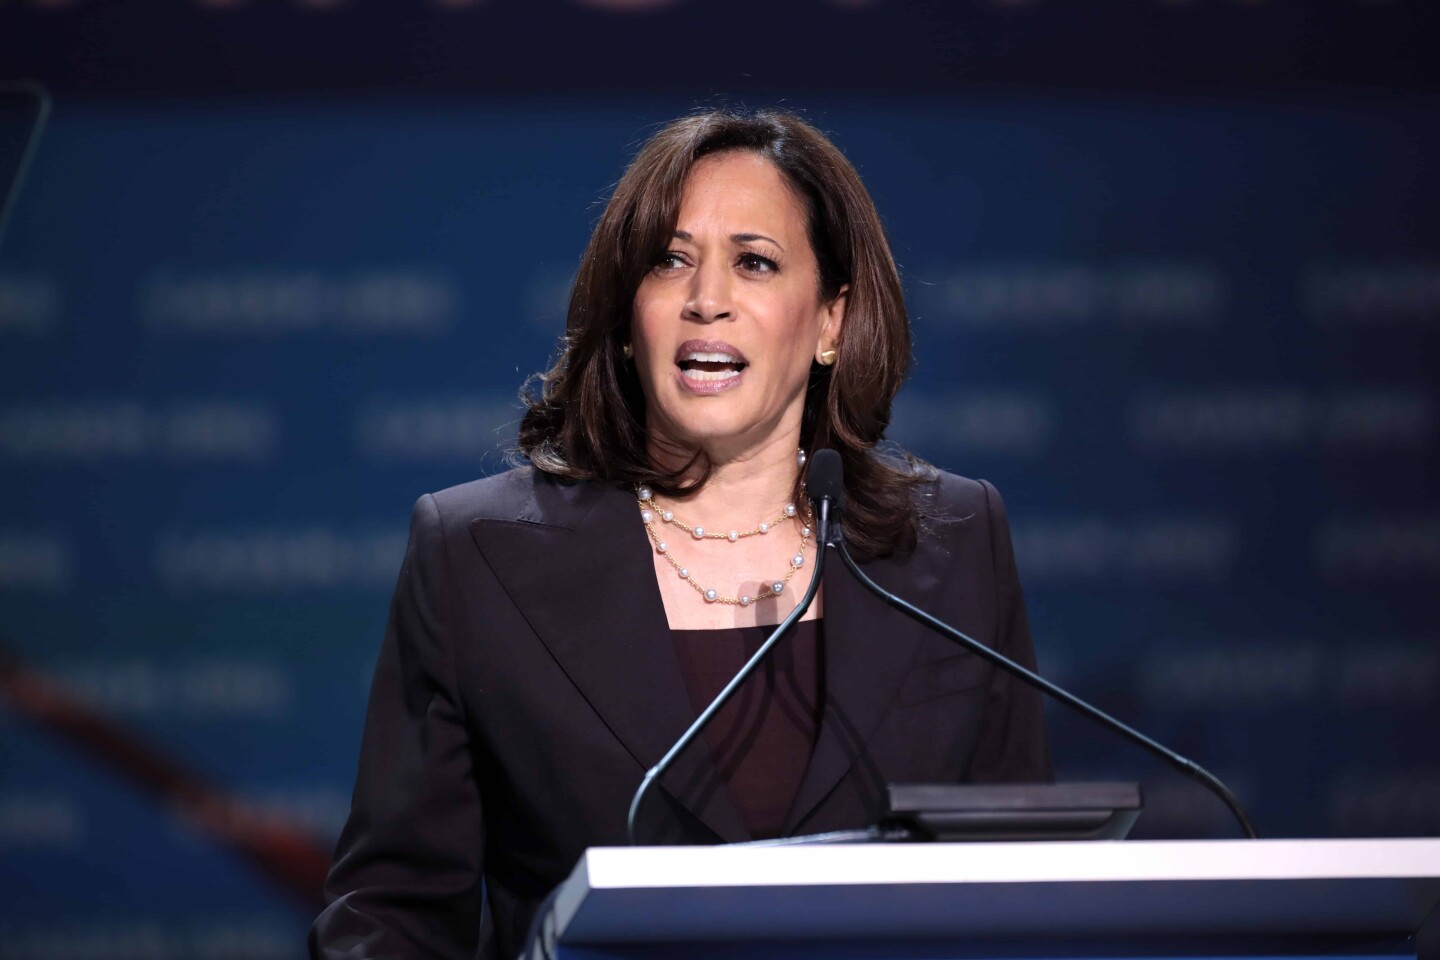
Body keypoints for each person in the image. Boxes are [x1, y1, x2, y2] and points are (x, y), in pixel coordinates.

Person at [310, 108, 1051, 960]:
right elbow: (391, 915)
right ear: (629, 319)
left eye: (755, 263)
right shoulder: (478, 554)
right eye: (670, 262)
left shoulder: (950, 544)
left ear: (831, 323)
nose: (708, 301)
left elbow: (1020, 884)